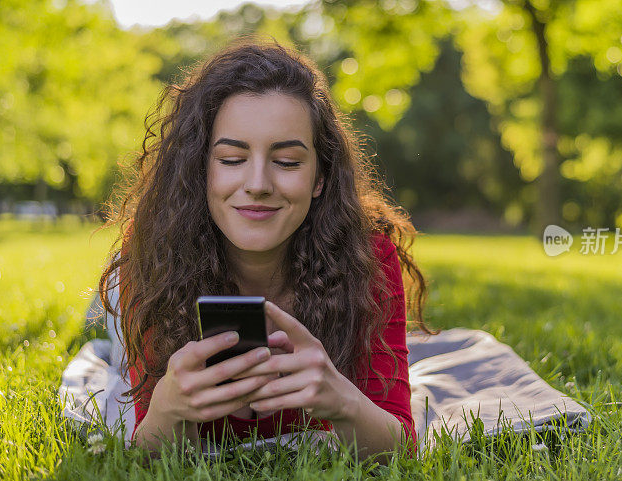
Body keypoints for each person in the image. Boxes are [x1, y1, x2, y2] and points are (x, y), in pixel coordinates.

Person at [96, 36, 433, 460]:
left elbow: (402, 447)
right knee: (109, 341)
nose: (257, 183)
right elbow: (144, 454)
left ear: (319, 178)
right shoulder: (152, 251)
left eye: (287, 162)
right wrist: (166, 409)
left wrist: (342, 401)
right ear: (200, 170)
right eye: (232, 159)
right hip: (139, 271)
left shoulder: (368, 255)